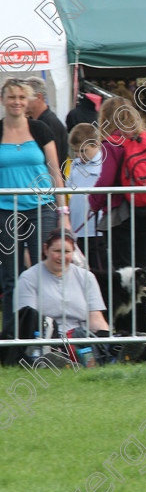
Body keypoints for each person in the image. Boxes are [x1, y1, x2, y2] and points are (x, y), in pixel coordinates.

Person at [0, 78, 68, 337]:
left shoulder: (40, 129)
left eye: (21, 97)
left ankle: (49, 335)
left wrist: (64, 213)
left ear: (28, 100)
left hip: (43, 210)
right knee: (11, 277)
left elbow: (55, 173)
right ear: (3, 100)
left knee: (45, 273)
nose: (16, 102)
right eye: (11, 97)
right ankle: (12, 337)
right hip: (6, 213)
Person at [89, 97, 146, 270]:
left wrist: (93, 203)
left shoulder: (111, 142)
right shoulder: (145, 137)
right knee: (145, 268)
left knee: (124, 270)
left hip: (121, 213)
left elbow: (106, 180)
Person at [15, 229, 109, 349]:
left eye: (67, 252)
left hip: (80, 339)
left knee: (106, 347)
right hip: (44, 339)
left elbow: (96, 319)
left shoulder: (87, 277)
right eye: (57, 251)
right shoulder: (28, 278)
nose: (62, 257)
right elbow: (26, 321)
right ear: (46, 249)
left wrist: (105, 340)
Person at [66, 123, 106, 269]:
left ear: (96, 144)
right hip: (77, 232)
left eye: (83, 151)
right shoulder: (75, 165)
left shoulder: (105, 164)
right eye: (76, 151)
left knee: (99, 273)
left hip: (97, 232)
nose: (79, 155)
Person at [24, 76, 69, 166]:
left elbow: (55, 163)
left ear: (38, 97)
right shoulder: (36, 121)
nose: (22, 102)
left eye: (25, 97)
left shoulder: (49, 123)